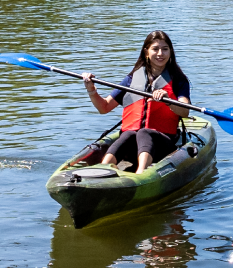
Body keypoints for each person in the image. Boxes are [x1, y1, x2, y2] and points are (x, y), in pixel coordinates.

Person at [82, 30, 192, 173]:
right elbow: (104, 107)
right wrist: (91, 90)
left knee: (144, 132)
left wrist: (169, 101)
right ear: (146, 52)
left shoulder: (178, 80)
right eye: (155, 49)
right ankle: (104, 168)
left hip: (162, 146)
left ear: (170, 52)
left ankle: (141, 173)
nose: (160, 54)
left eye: (165, 49)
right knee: (129, 134)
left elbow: (185, 111)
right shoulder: (132, 79)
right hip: (132, 148)